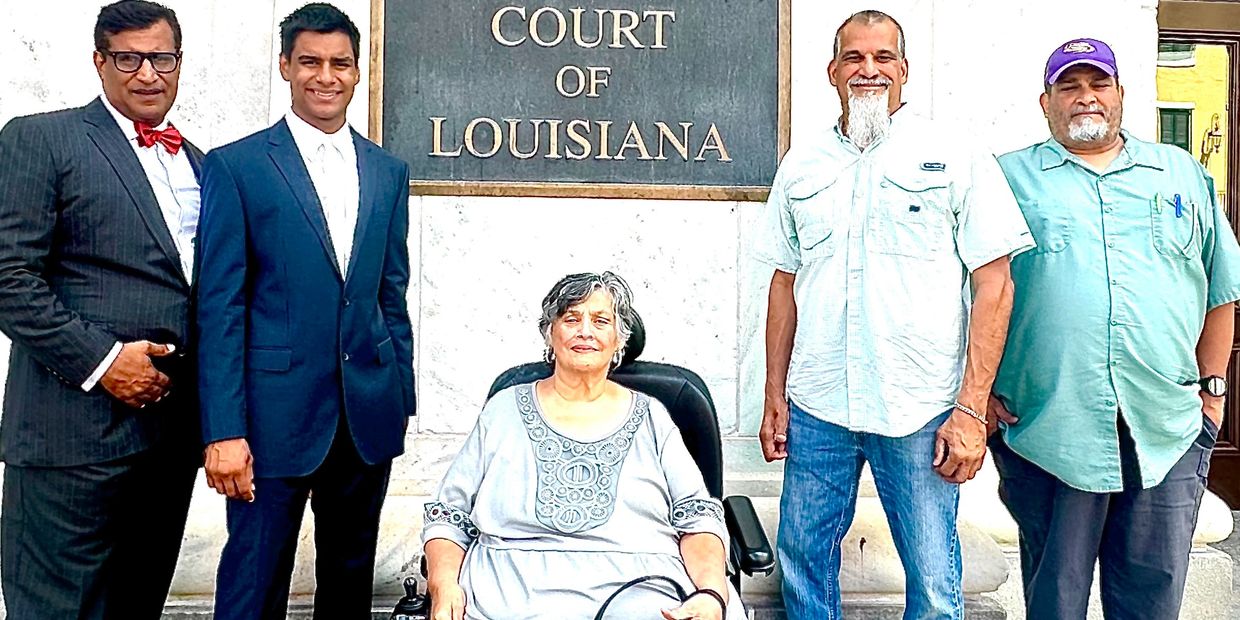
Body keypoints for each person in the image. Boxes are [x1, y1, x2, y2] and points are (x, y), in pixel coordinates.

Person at [753, 10, 1035, 620]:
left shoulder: (954, 155)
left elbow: (995, 286)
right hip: (819, 404)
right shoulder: (801, 167)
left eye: (883, 58)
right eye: (854, 58)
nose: (868, 70)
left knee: (933, 580)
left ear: (904, 70)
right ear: (832, 72)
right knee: (802, 563)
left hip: (920, 404)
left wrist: (971, 406)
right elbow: (783, 283)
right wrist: (775, 393)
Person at [989, 37, 1240, 620]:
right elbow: (973, 293)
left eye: (1098, 84)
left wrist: (1214, 390)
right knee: (1056, 600)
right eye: (1069, 87)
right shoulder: (1006, 180)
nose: (1085, 99)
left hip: (1167, 424)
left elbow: (1221, 287)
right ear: (1045, 102)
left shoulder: (1180, 174)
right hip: (1052, 426)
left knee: (1152, 601)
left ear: (1121, 95)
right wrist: (977, 394)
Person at [195, 3, 414, 618]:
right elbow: (220, 307)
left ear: (357, 72)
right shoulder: (235, 166)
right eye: (311, 62)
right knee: (254, 583)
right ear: (287, 66)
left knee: (349, 586)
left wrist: (400, 396)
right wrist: (223, 429)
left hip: (366, 418)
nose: (326, 76)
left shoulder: (388, 171)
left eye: (340, 63)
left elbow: (389, 296)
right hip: (269, 420)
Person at [0, 1, 201, 617]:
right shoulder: (41, 138)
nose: (147, 74)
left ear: (179, 63)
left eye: (161, 58)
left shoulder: (197, 160)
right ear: (99, 62)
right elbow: (9, 276)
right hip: (72, 432)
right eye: (128, 58)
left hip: (167, 441)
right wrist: (103, 360)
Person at [423, 272, 743, 620]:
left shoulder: (653, 417)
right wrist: (443, 585)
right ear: (550, 332)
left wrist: (711, 593)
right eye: (571, 319)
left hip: (642, 592)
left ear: (620, 339)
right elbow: (449, 516)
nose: (585, 331)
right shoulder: (502, 410)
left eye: (601, 320)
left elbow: (698, 519)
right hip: (508, 593)